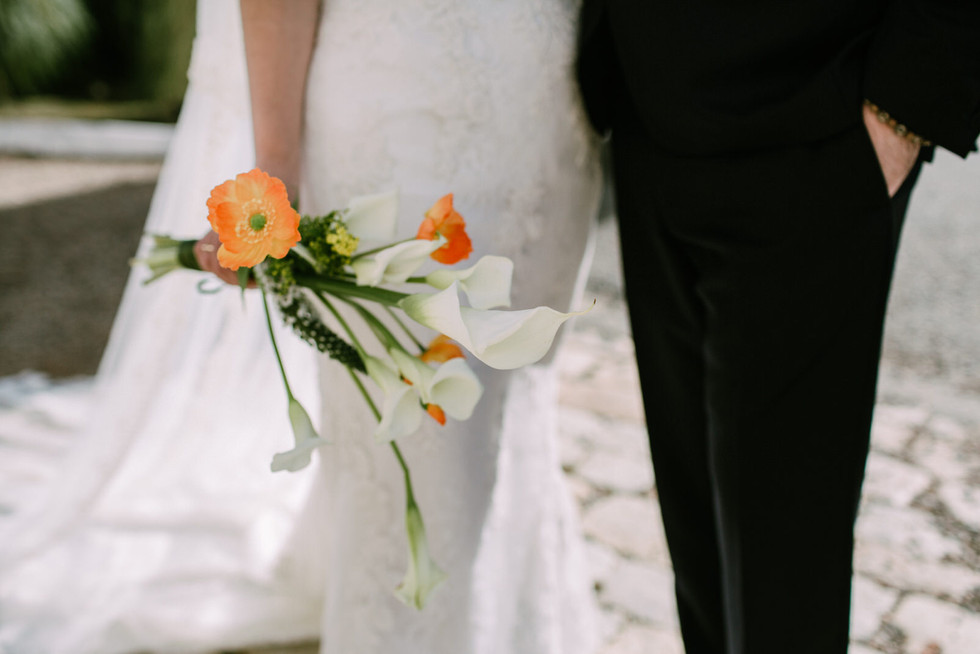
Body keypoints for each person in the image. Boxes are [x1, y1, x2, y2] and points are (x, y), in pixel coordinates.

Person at [0, 1, 602, 652]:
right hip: (401, 108)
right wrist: (275, 170)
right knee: (427, 409)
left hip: (545, 108)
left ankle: (503, 607)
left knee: (506, 384)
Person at [576, 2, 980, 653]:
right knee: (695, 531)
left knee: (787, 562)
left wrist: (910, 102)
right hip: (644, 105)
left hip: (815, 117)